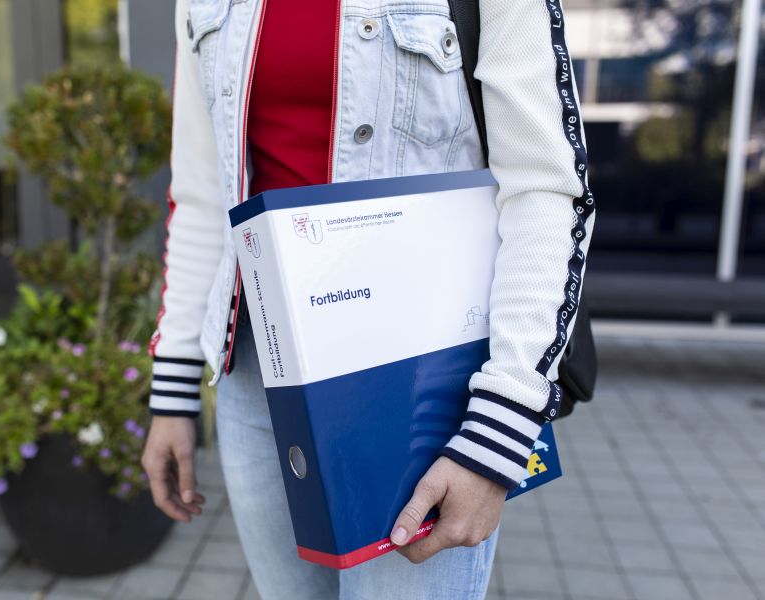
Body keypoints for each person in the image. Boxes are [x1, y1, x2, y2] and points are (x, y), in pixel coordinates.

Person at [142, 0, 594, 598]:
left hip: (418, 388)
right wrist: (173, 390)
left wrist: (499, 431)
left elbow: (543, 187)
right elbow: (203, 196)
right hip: (258, 372)